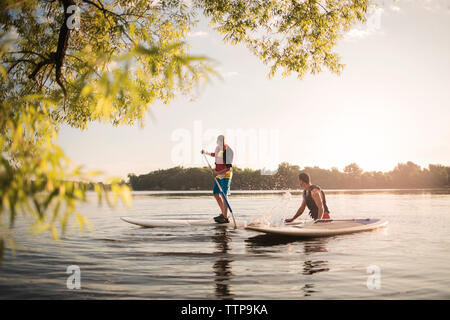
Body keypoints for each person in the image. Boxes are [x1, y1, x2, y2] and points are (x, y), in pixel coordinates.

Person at [201, 135, 234, 223]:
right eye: (218, 142)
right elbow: (215, 155)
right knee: (216, 194)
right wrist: (206, 152)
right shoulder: (218, 148)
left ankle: (225, 217)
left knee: (224, 194)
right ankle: (223, 213)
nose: (219, 144)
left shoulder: (228, 151)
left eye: (221, 143)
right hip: (218, 175)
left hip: (226, 175)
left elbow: (228, 168)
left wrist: (217, 173)